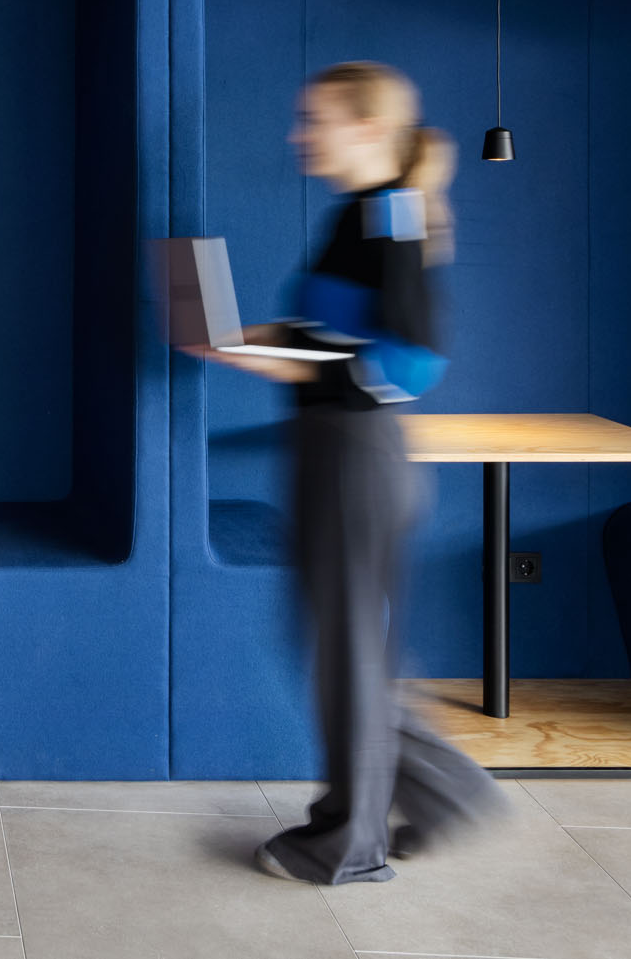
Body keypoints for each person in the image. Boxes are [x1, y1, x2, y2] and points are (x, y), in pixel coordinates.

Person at [187, 60, 502, 885]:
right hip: (331, 451)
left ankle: (351, 846)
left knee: (349, 657)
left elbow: (411, 362)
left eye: (315, 119)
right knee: (342, 652)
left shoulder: (394, 217)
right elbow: (321, 329)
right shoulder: (355, 214)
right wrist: (236, 338)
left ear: (368, 127)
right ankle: (444, 797)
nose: (300, 134)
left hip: (357, 456)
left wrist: (283, 362)